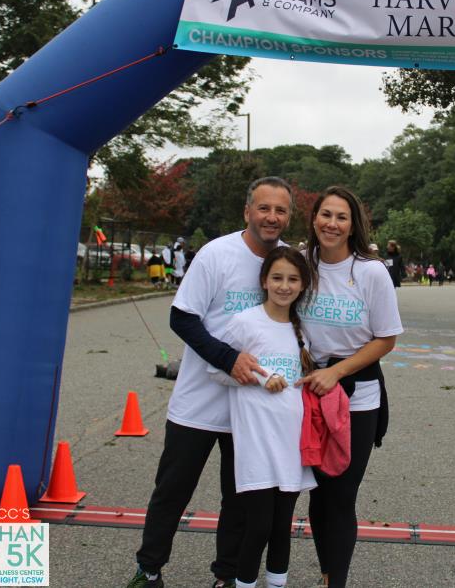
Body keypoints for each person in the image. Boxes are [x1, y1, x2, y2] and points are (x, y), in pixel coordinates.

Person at [126, 177, 294, 588]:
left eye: (281, 210)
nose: (271, 217)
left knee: (240, 498)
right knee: (172, 490)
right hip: (198, 402)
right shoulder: (217, 254)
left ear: (289, 216)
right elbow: (182, 318)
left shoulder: (289, 260)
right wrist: (228, 358)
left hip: (252, 407)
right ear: (247, 211)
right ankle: (149, 569)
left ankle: (226, 575)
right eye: (264, 208)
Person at [299, 186, 403, 588]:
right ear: (314, 219)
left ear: (353, 225)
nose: (332, 223)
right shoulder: (302, 264)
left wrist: (337, 372)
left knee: (341, 496)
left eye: (341, 217)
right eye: (326, 214)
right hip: (310, 394)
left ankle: (335, 582)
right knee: (318, 494)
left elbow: (386, 338)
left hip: (357, 397)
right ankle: (328, 573)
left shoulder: (371, 272)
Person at [208, 247, 318, 588]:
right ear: (264, 281)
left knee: (282, 526)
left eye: (293, 279)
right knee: (258, 527)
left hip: (290, 444)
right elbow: (216, 370)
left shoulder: (301, 331)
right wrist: (259, 378)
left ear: (303, 285)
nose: (284, 286)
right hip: (256, 444)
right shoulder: (245, 322)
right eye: (277, 278)